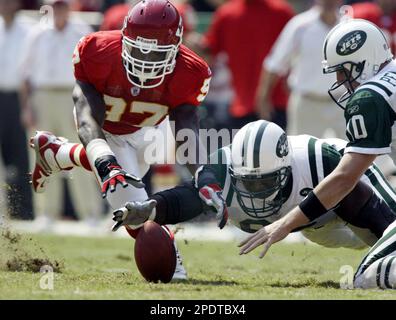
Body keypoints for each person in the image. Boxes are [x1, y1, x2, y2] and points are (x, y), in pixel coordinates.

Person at [29, 0, 214, 281]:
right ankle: (172, 267)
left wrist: (203, 176)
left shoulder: (192, 72)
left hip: (149, 131)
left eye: (156, 53)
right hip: (108, 130)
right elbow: (88, 118)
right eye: (139, 47)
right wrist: (105, 161)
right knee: (135, 207)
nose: (145, 58)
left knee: (133, 175)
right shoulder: (97, 50)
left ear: (176, 48)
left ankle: (57, 153)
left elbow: (186, 127)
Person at [111, 120, 396, 288]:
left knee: (385, 235)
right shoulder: (224, 167)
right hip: (314, 226)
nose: (254, 191)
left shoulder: (318, 159)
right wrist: (152, 208)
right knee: (340, 240)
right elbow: (189, 196)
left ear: (286, 169)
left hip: (341, 199)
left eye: (264, 183)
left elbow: (350, 183)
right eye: (247, 182)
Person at [238, 19, 396, 289]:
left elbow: (345, 178)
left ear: (364, 60)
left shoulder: (371, 97)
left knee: (367, 278)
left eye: (343, 70)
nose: (338, 80)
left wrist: (286, 223)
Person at [20, 0, 101, 228]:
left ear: (69, 7)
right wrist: (27, 108)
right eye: (55, 5)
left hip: (73, 96)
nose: (59, 9)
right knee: (41, 154)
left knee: (80, 154)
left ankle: (90, 213)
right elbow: (25, 74)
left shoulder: (81, 31)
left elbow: (91, 72)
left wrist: (86, 106)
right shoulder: (37, 33)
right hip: (43, 95)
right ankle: (46, 213)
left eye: (62, 5)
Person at [258, 0, 346, 139]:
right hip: (306, 103)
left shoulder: (349, 25)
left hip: (343, 103)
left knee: (349, 154)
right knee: (302, 155)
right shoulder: (299, 25)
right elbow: (275, 63)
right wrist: (263, 98)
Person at [202, 0, 294, 130]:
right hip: (247, 107)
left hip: (274, 106)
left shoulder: (282, 12)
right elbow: (208, 52)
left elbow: (208, 53)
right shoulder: (226, 14)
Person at [0, 0, 33, 220]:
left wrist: (27, 105)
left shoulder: (29, 29)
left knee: (20, 156)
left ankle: (22, 212)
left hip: (18, 97)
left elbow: (29, 70)